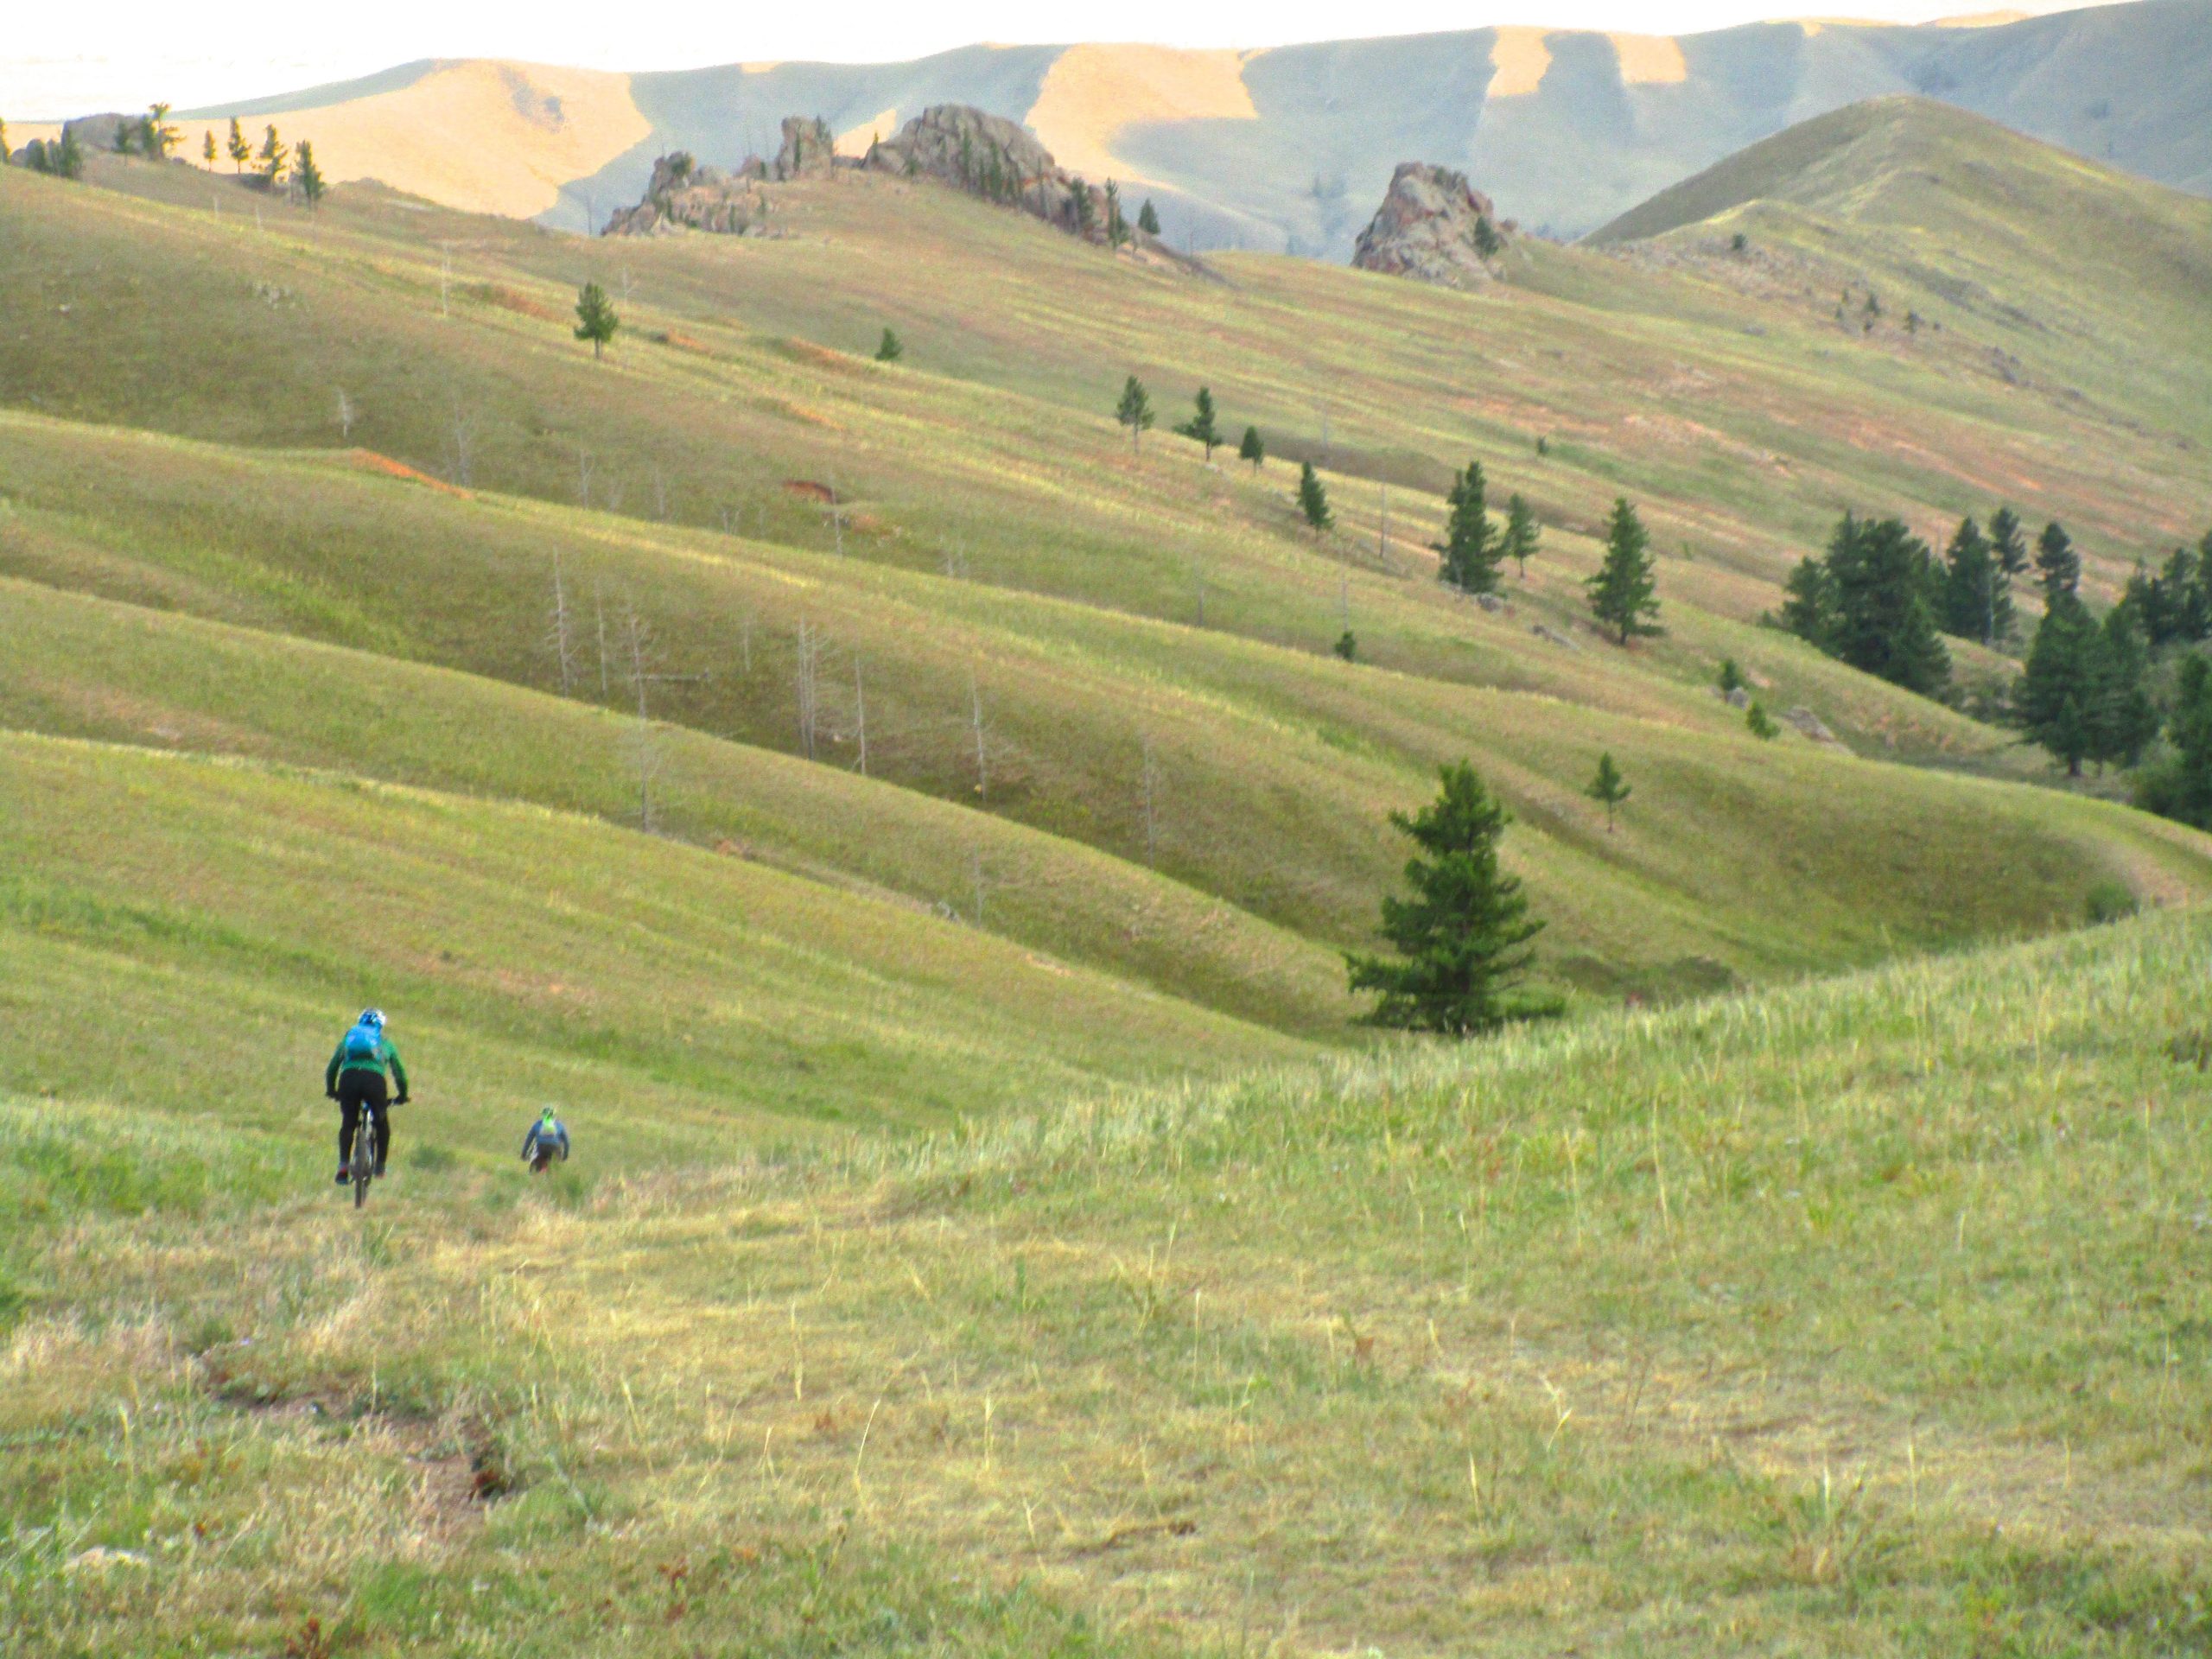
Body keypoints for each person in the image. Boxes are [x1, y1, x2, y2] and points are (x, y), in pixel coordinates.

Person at [324, 1008, 410, 1183]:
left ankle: (343, 1165)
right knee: (381, 1122)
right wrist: (402, 1094)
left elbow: (332, 1068)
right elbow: (399, 1072)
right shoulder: (385, 1043)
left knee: (348, 1122)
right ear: (380, 1026)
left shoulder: (348, 1041)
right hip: (374, 1081)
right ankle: (380, 1166)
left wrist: (332, 1090)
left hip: (349, 1079)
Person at [522, 1109, 570, 1173]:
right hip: (555, 1148)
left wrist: (524, 1153)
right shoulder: (560, 1125)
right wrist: (565, 1155)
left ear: (543, 1115)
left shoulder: (537, 1124)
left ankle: (533, 1175)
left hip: (540, 1148)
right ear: (554, 1116)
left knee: (534, 1168)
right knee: (555, 1168)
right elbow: (566, 1142)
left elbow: (529, 1140)